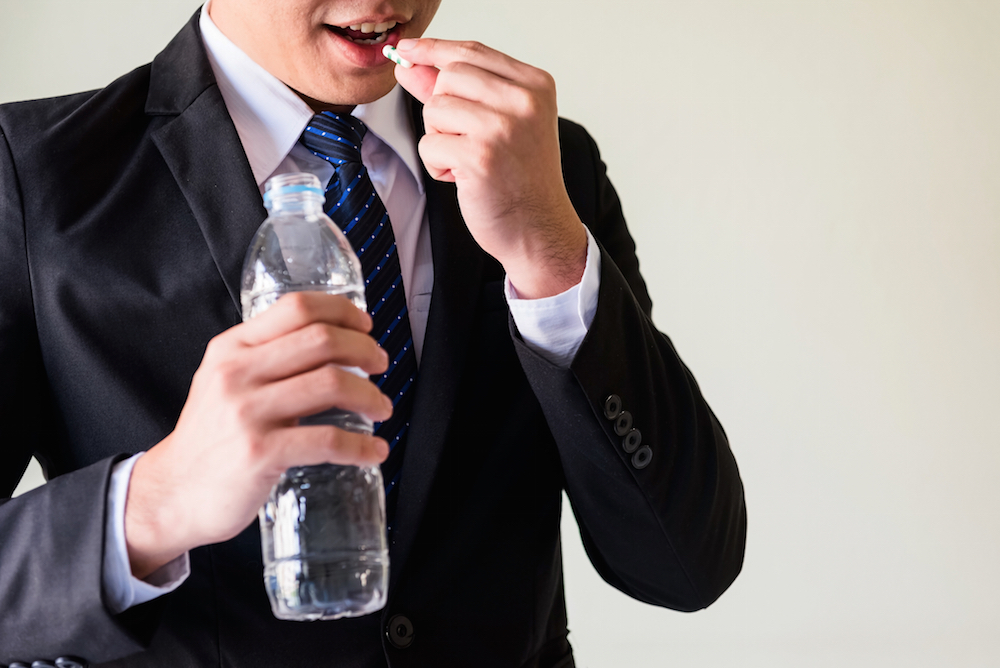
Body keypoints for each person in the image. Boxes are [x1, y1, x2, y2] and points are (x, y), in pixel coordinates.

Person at [0, 0, 746, 665]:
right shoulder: (31, 176)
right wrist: (153, 503)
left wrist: (549, 254)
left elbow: (686, 564)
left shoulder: (547, 161)